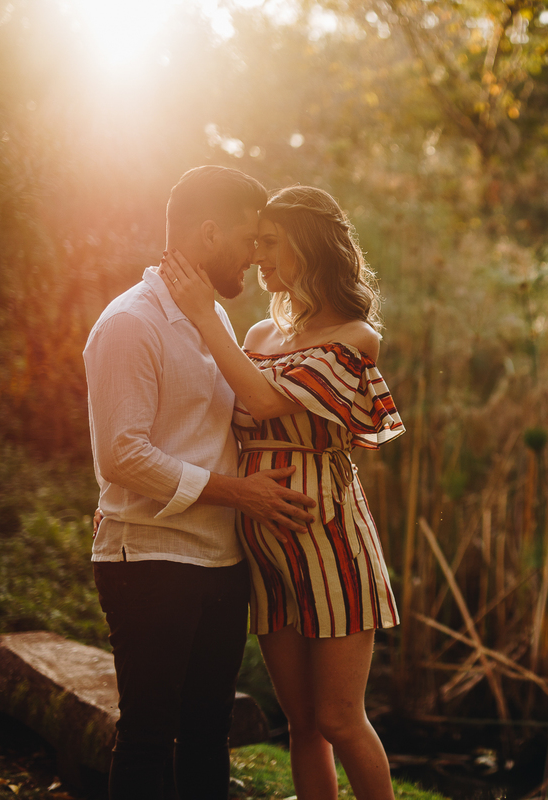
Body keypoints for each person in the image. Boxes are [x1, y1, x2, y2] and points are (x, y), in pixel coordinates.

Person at [158, 184, 405, 800]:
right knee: (301, 725)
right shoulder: (260, 335)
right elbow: (231, 407)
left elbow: (264, 400)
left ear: (310, 247)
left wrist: (202, 313)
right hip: (265, 550)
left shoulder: (353, 336)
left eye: (271, 244)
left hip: (330, 543)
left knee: (340, 719)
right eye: (257, 242)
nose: (258, 256)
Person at [83, 165, 318, 800]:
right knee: (149, 738)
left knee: (210, 734)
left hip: (221, 558)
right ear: (209, 234)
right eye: (249, 239)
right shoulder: (131, 323)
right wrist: (239, 493)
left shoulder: (214, 327)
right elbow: (122, 456)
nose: (255, 255)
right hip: (150, 557)